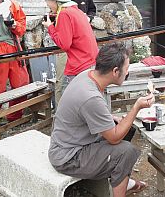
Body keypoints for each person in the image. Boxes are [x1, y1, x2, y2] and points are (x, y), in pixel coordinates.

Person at [48, 42, 154, 197]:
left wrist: (111, 118)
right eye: (126, 68)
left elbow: (85, 111)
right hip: (68, 157)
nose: (127, 72)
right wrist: (136, 107)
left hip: (71, 141)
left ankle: (124, 182)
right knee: (125, 151)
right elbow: (114, 139)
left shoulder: (88, 75)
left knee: (124, 127)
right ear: (116, 71)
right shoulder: (90, 96)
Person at [42, 0, 97, 99]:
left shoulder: (64, 14)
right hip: (90, 62)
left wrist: (50, 27)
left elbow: (65, 44)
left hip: (79, 65)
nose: (47, 4)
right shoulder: (76, 10)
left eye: (47, 0)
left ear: (55, 0)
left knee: (68, 98)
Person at [54, 0, 98, 106]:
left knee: (86, 80)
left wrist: (88, 18)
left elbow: (92, 9)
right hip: (65, 44)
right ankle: (60, 113)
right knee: (61, 81)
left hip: (81, 47)